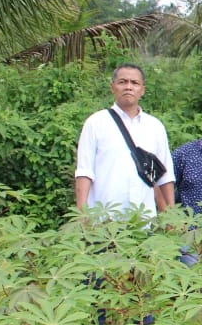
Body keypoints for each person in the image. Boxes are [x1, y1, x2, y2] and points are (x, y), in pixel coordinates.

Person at [75, 63, 175, 219]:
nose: (128, 87)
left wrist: (171, 216)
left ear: (142, 90)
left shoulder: (155, 126)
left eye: (134, 83)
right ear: (112, 87)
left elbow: (163, 176)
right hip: (103, 220)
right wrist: (82, 215)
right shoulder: (96, 122)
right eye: (123, 82)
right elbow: (84, 172)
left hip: (143, 220)